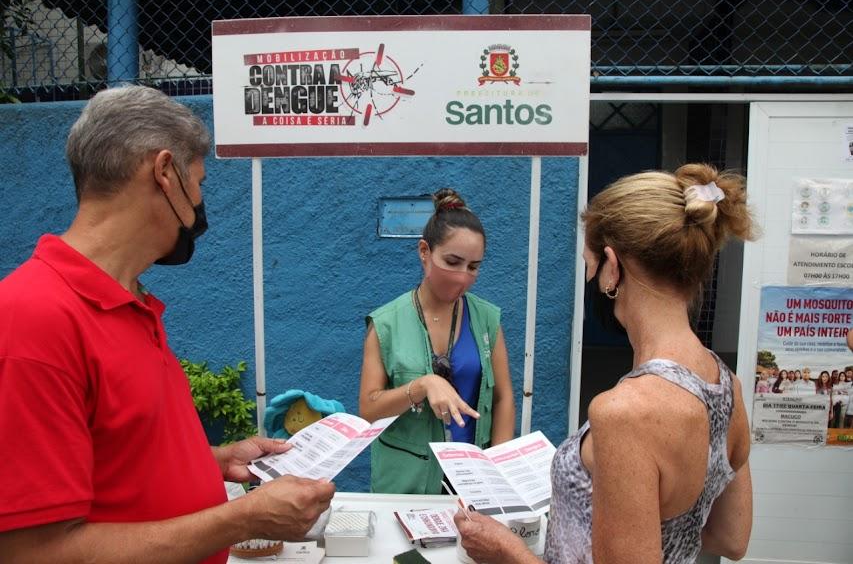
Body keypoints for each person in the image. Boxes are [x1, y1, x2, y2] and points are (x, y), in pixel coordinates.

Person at [0, 86, 334, 563]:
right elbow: (34, 553)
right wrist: (243, 518)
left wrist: (213, 461)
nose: (200, 202)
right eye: (197, 180)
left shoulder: (130, 301)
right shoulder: (32, 319)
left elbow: (118, 459)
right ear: (163, 173)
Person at [455, 164, 754, 562]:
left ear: (612, 268)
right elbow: (731, 538)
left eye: (590, 265)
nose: (592, 279)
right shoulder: (725, 383)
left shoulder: (624, 412)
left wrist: (507, 551)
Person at [359, 188, 516, 494]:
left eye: (473, 267)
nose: (462, 277)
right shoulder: (386, 324)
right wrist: (421, 386)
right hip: (407, 484)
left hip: (473, 481)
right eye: (453, 261)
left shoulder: (487, 319)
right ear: (424, 251)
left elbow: (503, 397)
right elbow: (368, 409)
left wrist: (498, 471)